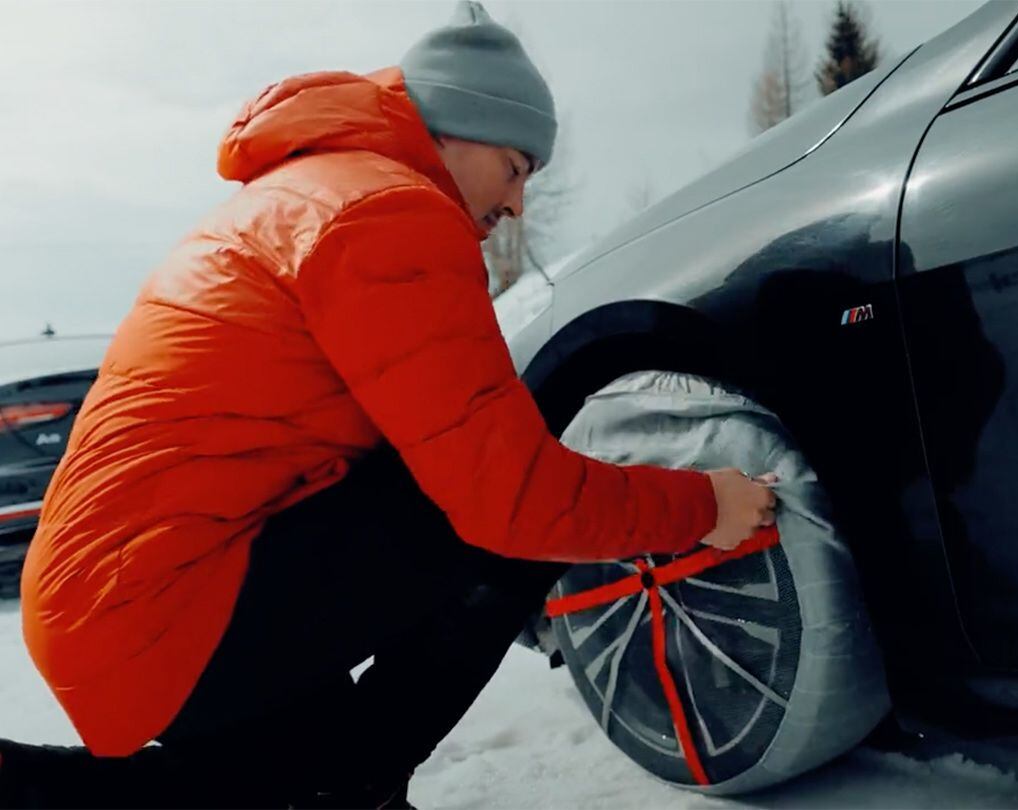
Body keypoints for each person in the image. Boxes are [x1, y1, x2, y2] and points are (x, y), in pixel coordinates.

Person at [0, 3, 778, 807]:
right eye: (515, 168)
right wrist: (702, 505)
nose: (517, 206)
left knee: (306, 781)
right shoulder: (388, 213)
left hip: (123, 591)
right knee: (500, 508)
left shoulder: (309, 191)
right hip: (165, 600)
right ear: (452, 131)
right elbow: (510, 498)